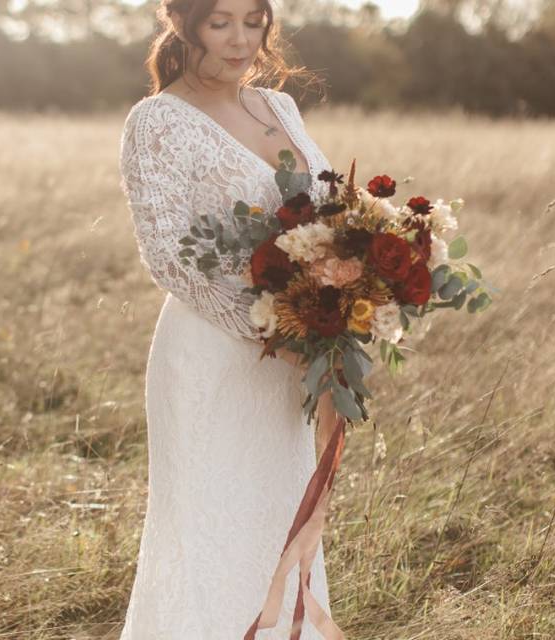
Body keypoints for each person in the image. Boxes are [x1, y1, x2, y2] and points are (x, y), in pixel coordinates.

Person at [117, 0, 344, 637]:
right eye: (221, 23)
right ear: (183, 24)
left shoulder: (281, 108)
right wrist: (273, 329)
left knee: (277, 514)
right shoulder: (158, 122)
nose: (241, 40)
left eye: (254, 21)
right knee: (207, 524)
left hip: (291, 355)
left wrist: (345, 301)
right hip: (213, 351)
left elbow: (325, 211)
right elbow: (167, 254)